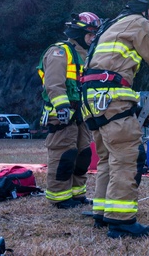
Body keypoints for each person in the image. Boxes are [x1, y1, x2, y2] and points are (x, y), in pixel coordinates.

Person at [82, 0, 149, 239]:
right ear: (145, 8)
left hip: (92, 99)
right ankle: (121, 221)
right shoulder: (138, 23)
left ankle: (102, 213)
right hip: (112, 98)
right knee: (126, 156)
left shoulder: (112, 25)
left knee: (107, 158)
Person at [37, 12, 102, 209]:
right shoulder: (59, 52)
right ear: (78, 32)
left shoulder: (87, 56)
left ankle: (77, 194)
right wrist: (63, 107)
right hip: (62, 114)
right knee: (63, 154)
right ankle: (59, 196)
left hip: (82, 115)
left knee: (83, 155)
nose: (92, 39)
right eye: (90, 34)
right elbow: (53, 83)